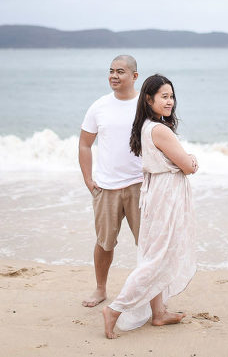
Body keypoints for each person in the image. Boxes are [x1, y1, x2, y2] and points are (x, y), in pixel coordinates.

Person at [102, 74, 198, 339]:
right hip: (166, 195)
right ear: (149, 99)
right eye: (163, 97)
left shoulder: (146, 126)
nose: (170, 102)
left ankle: (158, 313)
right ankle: (115, 309)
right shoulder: (160, 130)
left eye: (171, 96)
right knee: (157, 258)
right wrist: (192, 159)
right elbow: (188, 167)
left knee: (155, 254)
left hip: (157, 194)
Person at [79, 55, 144, 308]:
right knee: (104, 243)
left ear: (134, 76)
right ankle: (100, 289)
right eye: (111, 71)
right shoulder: (99, 106)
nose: (114, 76)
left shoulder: (145, 105)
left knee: (147, 245)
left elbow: (162, 139)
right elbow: (85, 144)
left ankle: (149, 293)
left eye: (120, 71)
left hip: (140, 185)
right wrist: (88, 179)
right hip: (106, 188)